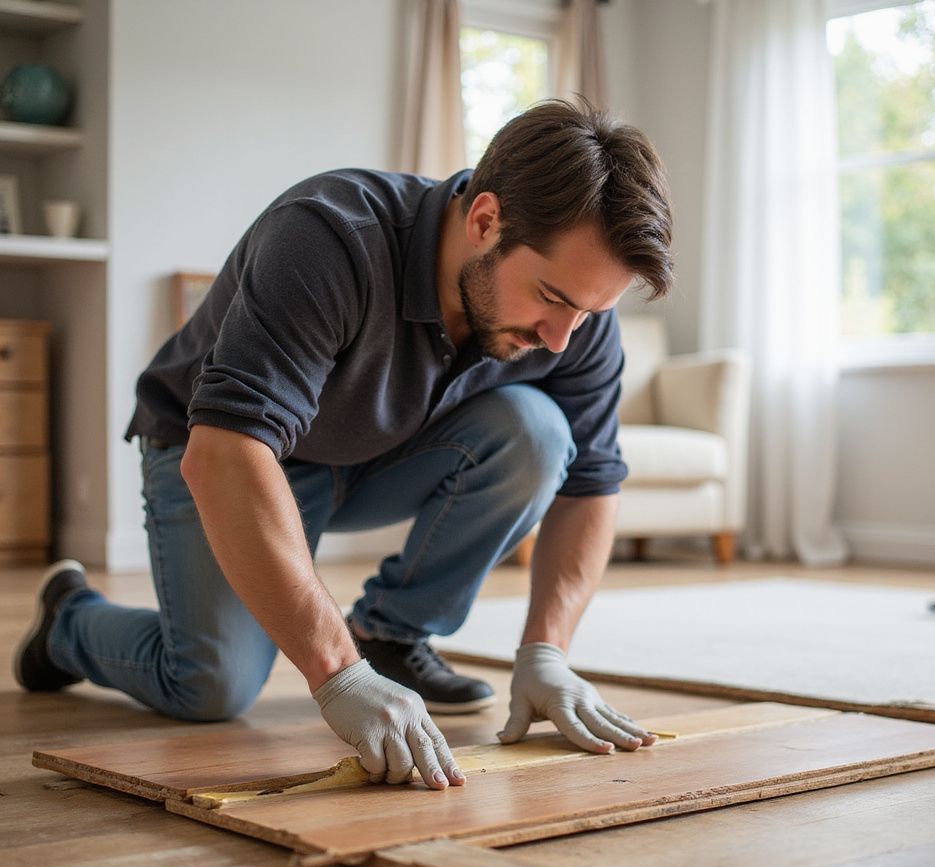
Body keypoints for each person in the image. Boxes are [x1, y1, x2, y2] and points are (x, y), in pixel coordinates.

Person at [14, 98, 674, 791]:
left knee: (539, 432)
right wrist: (336, 674)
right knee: (209, 688)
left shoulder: (576, 322)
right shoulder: (331, 236)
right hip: (219, 451)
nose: (562, 337)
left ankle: (390, 636)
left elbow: (592, 484)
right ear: (486, 221)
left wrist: (548, 651)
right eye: (551, 297)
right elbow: (225, 454)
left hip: (370, 454)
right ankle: (69, 620)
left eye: (590, 312)